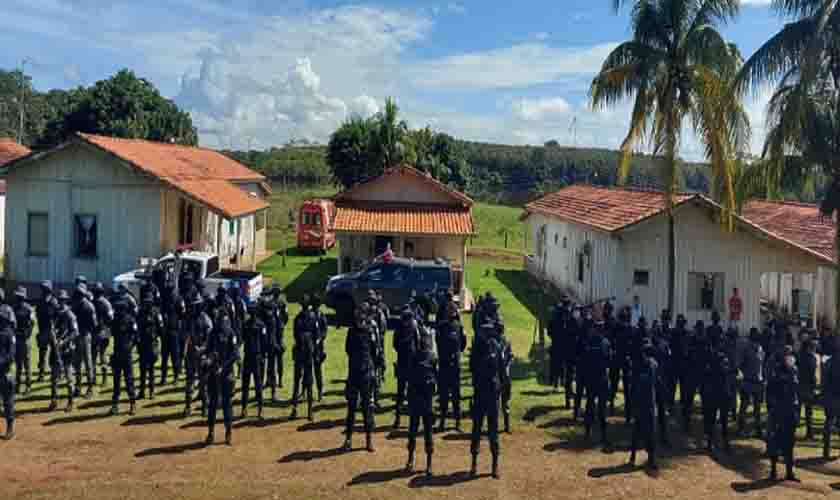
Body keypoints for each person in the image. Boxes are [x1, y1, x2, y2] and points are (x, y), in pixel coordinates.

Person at [470, 320, 505, 479]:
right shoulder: (477, 348)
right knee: (476, 429)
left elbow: (502, 370)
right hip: (480, 393)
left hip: (492, 394)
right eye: (484, 331)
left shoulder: (496, 347)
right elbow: (472, 368)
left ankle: (494, 465)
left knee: (493, 430)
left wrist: (502, 388)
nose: (486, 334)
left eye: (488, 331)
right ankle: (473, 464)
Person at [343, 303, 378, 452]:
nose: (358, 317)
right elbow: (348, 350)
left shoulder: (370, 331)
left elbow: (375, 351)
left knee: (366, 407)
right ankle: (348, 439)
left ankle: (369, 439)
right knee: (351, 408)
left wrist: (370, 368)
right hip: (354, 373)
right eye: (357, 314)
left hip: (366, 373)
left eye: (361, 314)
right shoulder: (351, 332)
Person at [204, 307, 239, 446]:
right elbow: (208, 350)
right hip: (214, 374)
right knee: (212, 404)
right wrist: (207, 360)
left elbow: (235, 354)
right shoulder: (212, 334)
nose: (222, 323)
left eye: (224, 320)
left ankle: (228, 432)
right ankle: (211, 433)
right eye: (219, 320)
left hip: (226, 374)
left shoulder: (231, 333)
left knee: (226, 403)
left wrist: (223, 367)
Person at [405, 328, 438, 477]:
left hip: (427, 401)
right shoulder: (413, 357)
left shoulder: (432, 357)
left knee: (428, 433)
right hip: (415, 400)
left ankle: (429, 464)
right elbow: (409, 378)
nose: (424, 341)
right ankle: (410, 459)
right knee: (412, 432)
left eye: (426, 338)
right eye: (422, 338)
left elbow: (436, 378)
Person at [767, 346, 800, 482]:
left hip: (791, 411)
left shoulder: (794, 371)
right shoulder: (776, 371)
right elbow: (770, 391)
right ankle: (773, 470)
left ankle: (789, 472)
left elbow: (796, 392)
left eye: (790, 354)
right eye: (787, 354)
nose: (789, 357)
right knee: (775, 441)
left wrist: (796, 410)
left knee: (790, 442)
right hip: (779, 411)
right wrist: (773, 408)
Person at [702, 331, 736, 453]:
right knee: (718, 419)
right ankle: (716, 443)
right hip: (718, 392)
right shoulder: (717, 357)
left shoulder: (715, 356)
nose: (722, 343)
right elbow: (725, 371)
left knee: (720, 419)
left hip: (719, 392)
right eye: (720, 342)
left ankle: (718, 442)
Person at [629, 339, 660, 470]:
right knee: (637, 431)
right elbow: (633, 384)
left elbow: (656, 382)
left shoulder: (654, 364)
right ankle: (633, 455)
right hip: (640, 402)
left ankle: (651, 458)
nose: (647, 353)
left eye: (648, 351)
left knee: (651, 432)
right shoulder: (636, 365)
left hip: (650, 402)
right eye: (645, 351)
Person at [436, 301, 467, 432]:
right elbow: (438, 343)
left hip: (454, 365)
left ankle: (457, 422)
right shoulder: (441, 326)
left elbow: (463, 344)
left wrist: (456, 354)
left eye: (452, 310)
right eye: (449, 310)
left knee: (455, 395)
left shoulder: (458, 326)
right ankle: (442, 421)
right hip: (444, 364)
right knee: (444, 395)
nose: (450, 313)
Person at [580, 321, 612, 448]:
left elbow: (584, 361)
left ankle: (590, 434)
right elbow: (609, 361)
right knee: (599, 409)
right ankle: (601, 436)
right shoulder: (606, 343)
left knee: (591, 406)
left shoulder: (589, 342)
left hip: (593, 380)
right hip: (600, 379)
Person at [184, 294, 213, 418]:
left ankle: (205, 407)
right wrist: (187, 349)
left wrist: (202, 349)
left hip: (202, 355)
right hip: (191, 354)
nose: (194, 308)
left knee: (203, 382)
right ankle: (188, 406)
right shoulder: (189, 318)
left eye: (197, 305)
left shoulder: (206, 319)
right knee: (189, 381)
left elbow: (210, 339)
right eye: (193, 305)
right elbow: (185, 335)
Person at [50, 292, 78, 413]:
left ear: (66, 301)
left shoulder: (70, 315)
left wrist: (64, 341)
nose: (61, 302)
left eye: (63, 300)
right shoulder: (55, 313)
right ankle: (54, 400)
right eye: (60, 300)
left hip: (67, 351)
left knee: (68, 377)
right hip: (55, 350)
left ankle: (70, 402)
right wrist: (53, 339)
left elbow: (75, 332)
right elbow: (52, 329)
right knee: (54, 377)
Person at [110, 299, 137, 416]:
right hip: (117, 353)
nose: (117, 311)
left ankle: (132, 403)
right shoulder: (114, 321)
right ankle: (115, 405)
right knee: (117, 380)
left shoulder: (130, 320)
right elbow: (111, 334)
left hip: (126, 354)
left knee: (128, 379)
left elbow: (135, 335)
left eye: (118, 309)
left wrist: (130, 346)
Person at [291, 296, 317, 421]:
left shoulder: (298, 318)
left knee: (298, 380)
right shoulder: (311, 317)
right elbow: (316, 334)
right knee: (306, 380)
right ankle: (308, 410)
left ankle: (296, 409)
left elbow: (295, 335)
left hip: (302, 351)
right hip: (306, 351)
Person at [393, 307, 419, 429]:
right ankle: (398, 418)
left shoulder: (411, 328)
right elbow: (395, 345)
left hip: (409, 364)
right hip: (405, 364)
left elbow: (417, 343)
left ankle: (408, 419)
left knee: (409, 393)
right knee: (401, 393)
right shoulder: (403, 329)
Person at [737, 328, 766, 438]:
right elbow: (740, 364)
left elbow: (762, 365)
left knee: (757, 408)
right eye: (754, 335)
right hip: (748, 382)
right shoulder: (746, 349)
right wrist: (745, 373)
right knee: (744, 406)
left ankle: (758, 430)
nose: (756, 336)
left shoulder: (761, 349)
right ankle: (741, 428)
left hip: (758, 382)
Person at [241, 302, 266, 419]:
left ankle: (253, 409)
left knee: (254, 384)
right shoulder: (259, 325)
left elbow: (263, 341)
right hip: (252, 357)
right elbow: (264, 341)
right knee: (252, 384)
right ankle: (253, 409)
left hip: (253, 357)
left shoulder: (255, 325)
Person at [72, 284, 98, 399]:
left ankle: (89, 388)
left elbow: (94, 324)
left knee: (87, 363)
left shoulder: (88, 306)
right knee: (78, 362)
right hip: (80, 336)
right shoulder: (78, 305)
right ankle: (79, 387)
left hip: (84, 336)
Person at [137, 292, 163, 400]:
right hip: (142, 343)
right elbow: (136, 326)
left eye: (149, 302)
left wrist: (157, 337)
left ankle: (152, 391)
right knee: (142, 369)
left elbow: (161, 327)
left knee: (151, 369)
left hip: (152, 343)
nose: (147, 304)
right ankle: (142, 391)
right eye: (145, 302)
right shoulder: (140, 312)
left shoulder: (156, 312)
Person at [160, 283, 185, 386]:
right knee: (165, 356)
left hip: (174, 330)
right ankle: (164, 377)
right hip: (166, 331)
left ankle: (175, 377)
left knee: (174, 356)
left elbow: (182, 313)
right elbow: (160, 312)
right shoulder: (164, 299)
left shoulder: (178, 299)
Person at [12, 287, 34, 395]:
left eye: (19, 296)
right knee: (18, 364)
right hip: (17, 338)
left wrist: (27, 334)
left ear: (23, 297)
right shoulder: (14, 308)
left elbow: (32, 323)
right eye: (17, 296)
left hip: (25, 339)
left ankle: (28, 386)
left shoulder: (29, 309)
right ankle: (17, 385)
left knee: (27, 364)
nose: (17, 298)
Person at [91, 283, 114, 385]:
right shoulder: (106, 303)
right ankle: (104, 379)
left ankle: (93, 378)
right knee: (102, 354)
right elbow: (111, 318)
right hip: (104, 331)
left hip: (94, 332)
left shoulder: (91, 302)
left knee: (93, 355)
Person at [0, 306, 16, 439]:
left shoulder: (9, 334)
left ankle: (10, 428)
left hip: (5, 373)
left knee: (7, 402)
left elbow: (11, 356)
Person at [548, 297, 570, 393]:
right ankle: (560, 381)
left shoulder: (556, 316)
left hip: (556, 343)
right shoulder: (566, 316)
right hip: (562, 344)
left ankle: (557, 382)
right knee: (561, 364)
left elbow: (549, 330)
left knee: (556, 364)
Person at [823, 336, 840, 459]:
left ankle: (826, 451)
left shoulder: (829, 361)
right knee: (832, 423)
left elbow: (824, 379)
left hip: (830, 395)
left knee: (829, 422)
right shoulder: (829, 361)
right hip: (835, 395)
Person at [798, 339, 818, 440]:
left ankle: (791, 430)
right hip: (808, 387)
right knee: (808, 411)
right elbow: (813, 374)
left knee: (797, 410)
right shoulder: (812, 358)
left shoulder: (799, 356)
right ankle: (809, 433)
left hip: (799, 386)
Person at [36, 281, 56, 382]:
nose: (43, 291)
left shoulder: (53, 301)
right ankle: (41, 373)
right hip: (43, 330)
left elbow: (56, 316)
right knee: (42, 353)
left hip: (51, 331)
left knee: (54, 353)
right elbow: (38, 316)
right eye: (43, 289)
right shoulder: (40, 301)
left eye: (45, 289)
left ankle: (54, 373)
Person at [311, 295, 328, 401]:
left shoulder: (321, 315)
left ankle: (319, 391)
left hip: (318, 348)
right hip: (310, 346)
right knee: (308, 371)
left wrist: (320, 338)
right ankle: (305, 390)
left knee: (318, 371)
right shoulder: (310, 315)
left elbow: (325, 330)